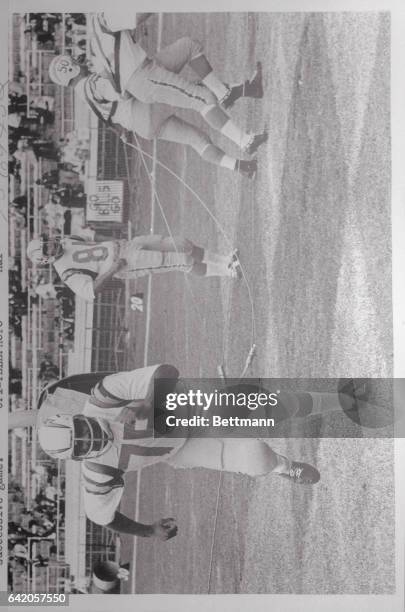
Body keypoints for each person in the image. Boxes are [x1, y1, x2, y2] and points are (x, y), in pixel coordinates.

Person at [37, 365, 321, 540]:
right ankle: (283, 467)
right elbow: (102, 517)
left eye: (81, 429)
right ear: (78, 457)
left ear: (77, 416)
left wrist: (149, 403)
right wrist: (149, 531)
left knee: (270, 407)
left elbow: (167, 372)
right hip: (177, 449)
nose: (89, 436)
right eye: (82, 443)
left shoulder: (104, 396)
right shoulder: (98, 472)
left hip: (185, 408)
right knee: (257, 459)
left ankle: (331, 402)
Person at [48, 13, 267, 179]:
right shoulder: (92, 81)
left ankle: (243, 167)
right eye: (74, 62)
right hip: (143, 92)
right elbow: (119, 92)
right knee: (202, 97)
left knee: (196, 135)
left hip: (142, 124)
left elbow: (110, 121)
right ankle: (245, 140)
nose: (79, 62)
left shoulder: (83, 93)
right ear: (70, 69)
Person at [26, 233, 243, 302]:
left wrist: (117, 241)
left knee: (180, 243)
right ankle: (227, 272)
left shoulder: (65, 240)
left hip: (127, 245)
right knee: (179, 261)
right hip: (125, 264)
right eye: (47, 248)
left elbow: (93, 239)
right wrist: (113, 269)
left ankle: (224, 259)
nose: (52, 244)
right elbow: (91, 290)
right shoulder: (66, 273)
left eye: (48, 241)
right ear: (45, 259)